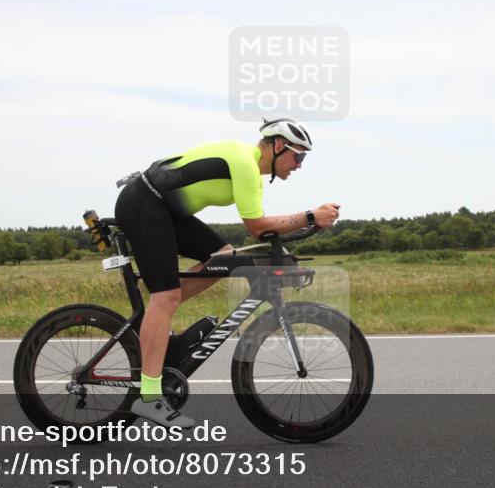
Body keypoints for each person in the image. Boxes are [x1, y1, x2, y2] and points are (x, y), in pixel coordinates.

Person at [113, 118, 340, 428]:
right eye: (298, 156)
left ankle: (160, 327)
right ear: (277, 146)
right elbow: (259, 226)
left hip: (163, 208)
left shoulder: (254, 177)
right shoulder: (245, 164)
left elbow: (263, 233)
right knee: (164, 296)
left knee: (222, 258)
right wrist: (311, 215)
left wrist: (285, 257)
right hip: (144, 202)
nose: (299, 165)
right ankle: (150, 396)